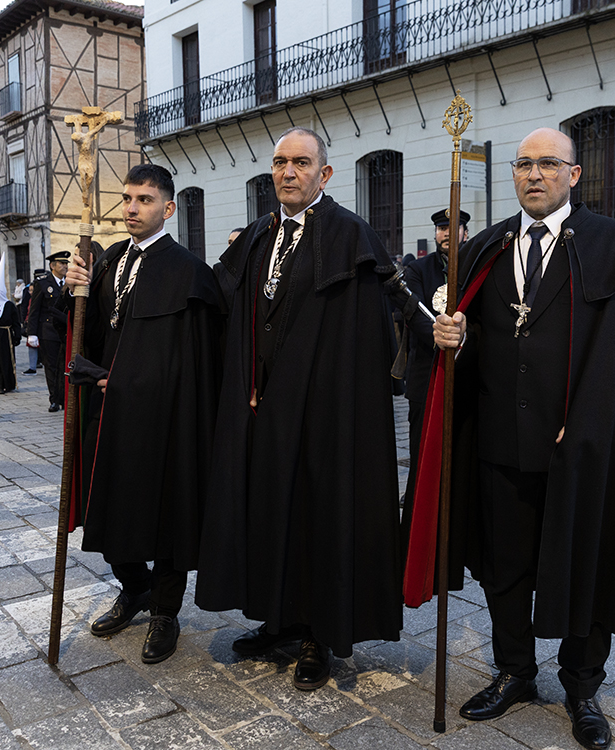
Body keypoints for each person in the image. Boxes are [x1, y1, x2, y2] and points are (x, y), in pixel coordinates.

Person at [417, 128, 615, 750]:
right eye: (524, 165)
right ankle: (515, 671)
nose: (534, 175)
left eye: (548, 164)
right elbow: (471, 339)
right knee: (504, 567)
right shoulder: (486, 247)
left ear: (574, 175)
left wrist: (583, 420)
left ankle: (582, 686)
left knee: (585, 560)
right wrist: (452, 341)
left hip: (579, 448)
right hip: (500, 439)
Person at [195, 127, 402, 691]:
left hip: (323, 414)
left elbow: (369, 335)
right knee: (268, 511)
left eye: (301, 163)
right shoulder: (260, 234)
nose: (288, 173)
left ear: (324, 174)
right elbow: (221, 302)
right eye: (280, 163)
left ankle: (317, 633)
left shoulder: (349, 235)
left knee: (316, 516)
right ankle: (278, 618)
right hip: (261, 410)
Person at [62, 164, 224, 665]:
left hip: (167, 418)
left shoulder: (190, 272)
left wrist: (127, 379)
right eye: (128, 199)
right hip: (109, 413)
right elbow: (90, 335)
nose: (132, 208)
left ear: (168, 209)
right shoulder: (108, 262)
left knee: (171, 512)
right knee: (105, 504)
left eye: (145, 200)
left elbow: (198, 361)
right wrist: (76, 294)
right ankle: (134, 588)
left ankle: (165, 611)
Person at [392, 207, 469, 532]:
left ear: (465, 231)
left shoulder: (474, 264)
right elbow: (415, 313)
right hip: (426, 374)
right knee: (423, 446)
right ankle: (419, 511)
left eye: (454, 227)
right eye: (441, 228)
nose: (447, 233)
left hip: (467, 376)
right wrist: (443, 338)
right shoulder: (417, 269)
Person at [29, 252, 70, 412]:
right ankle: (54, 399)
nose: (65, 266)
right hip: (49, 332)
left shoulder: (69, 282)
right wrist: (32, 333)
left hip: (66, 331)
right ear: (52, 266)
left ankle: (65, 398)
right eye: (61, 264)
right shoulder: (43, 283)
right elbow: (34, 310)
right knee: (51, 366)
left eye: (66, 263)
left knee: (66, 366)